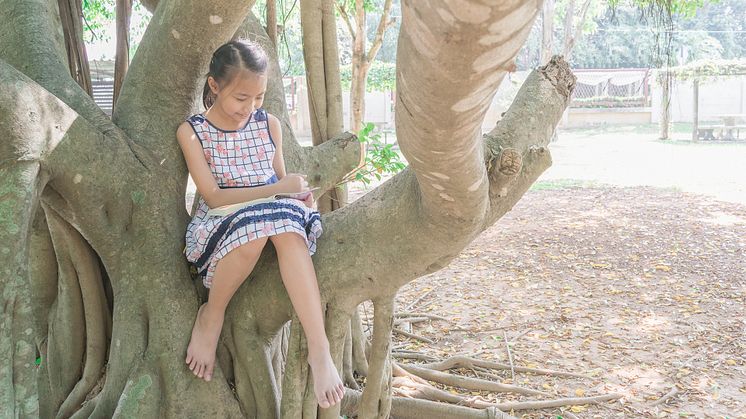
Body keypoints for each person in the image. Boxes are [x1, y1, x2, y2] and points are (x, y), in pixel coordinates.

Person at [176, 39, 344, 409]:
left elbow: (281, 184)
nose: (249, 108)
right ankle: (212, 313)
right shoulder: (193, 131)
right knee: (258, 230)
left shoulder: (269, 125)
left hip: (272, 215)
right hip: (222, 220)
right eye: (241, 98)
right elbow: (215, 196)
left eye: (258, 98)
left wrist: (298, 194)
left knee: (285, 222)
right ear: (214, 85)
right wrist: (277, 188)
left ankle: (319, 349)